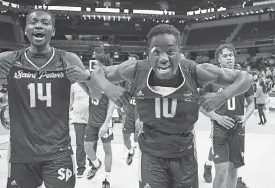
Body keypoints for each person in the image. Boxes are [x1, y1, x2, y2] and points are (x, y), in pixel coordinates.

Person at [90, 24, 253, 188]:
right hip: (151, 155)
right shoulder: (137, 69)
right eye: (156, 52)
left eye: (170, 51)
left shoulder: (194, 71)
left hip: (185, 154)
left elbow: (245, 78)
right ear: (148, 53)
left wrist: (222, 96)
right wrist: (109, 88)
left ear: (179, 52)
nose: (163, 58)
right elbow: (97, 73)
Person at [0, 9, 98, 188]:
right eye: (33, 22)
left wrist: (86, 77)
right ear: (26, 30)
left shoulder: (68, 59)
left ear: (53, 31)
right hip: (21, 153)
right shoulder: (8, 59)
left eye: (45, 23)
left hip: (58, 152)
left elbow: (96, 95)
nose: (38, 25)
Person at [201, 43, 255, 188]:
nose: (229, 58)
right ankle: (208, 166)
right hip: (219, 129)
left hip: (238, 129)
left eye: (231, 55)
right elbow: (200, 105)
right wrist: (217, 117)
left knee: (233, 171)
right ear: (218, 59)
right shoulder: (211, 79)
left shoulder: (244, 78)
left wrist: (245, 117)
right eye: (225, 56)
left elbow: (251, 103)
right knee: (221, 172)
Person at [84, 55, 116, 188]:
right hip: (91, 122)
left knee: (107, 149)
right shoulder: (92, 80)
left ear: (103, 67)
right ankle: (96, 164)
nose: (94, 67)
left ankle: (107, 179)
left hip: (105, 123)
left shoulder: (111, 83)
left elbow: (111, 106)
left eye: (97, 65)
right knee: (87, 148)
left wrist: (106, 124)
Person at [69, 82, 98, 178]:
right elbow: (70, 102)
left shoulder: (93, 84)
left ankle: (93, 163)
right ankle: (81, 167)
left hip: (92, 118)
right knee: (80, 143)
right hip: (78, 119)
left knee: (92, 142)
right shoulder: (74, 86)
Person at [121, 54, 141, 165]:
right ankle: (130, 150)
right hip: (128, 110)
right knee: (125, 137)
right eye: (129, 62)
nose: (131, 64)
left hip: (139, 110)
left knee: (137, 135)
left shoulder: (142, 76)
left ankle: (140, 151)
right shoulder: (124, 77)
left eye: (133, 62)